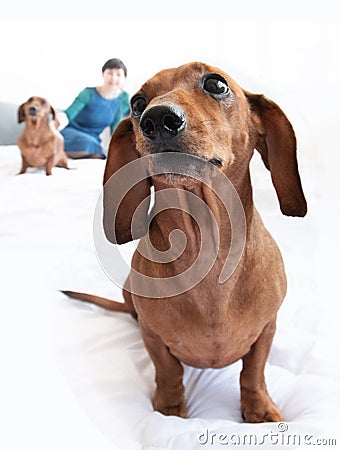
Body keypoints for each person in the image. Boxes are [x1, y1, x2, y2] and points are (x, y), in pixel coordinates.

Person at [58, 58, 130, 159]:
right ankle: (56, 152)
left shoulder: (123, 99)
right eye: (110, 73)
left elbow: (115, 128)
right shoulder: (89, 93)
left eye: (118, 74)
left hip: (93, 138)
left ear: (124, 78)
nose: (113, 78)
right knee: (86, 144)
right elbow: (68, 114)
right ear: (103, 74)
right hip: (72, 132)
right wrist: (54, 128)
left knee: (100, 152)